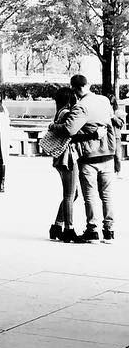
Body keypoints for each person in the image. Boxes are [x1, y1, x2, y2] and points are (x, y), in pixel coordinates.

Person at [51, 75, 116, 242]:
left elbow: (69, 130)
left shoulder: (81, 107)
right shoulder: (104, 101)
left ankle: (92, 230)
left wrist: (52, 126)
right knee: (107, 195)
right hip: (107, 153)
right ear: (89, 84)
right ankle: (109, 231)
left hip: (89, 155)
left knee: (88, 196)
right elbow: (111, 121)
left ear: (74, 88)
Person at [47, 87, 83, 242]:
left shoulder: (59, 112)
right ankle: (69, 229)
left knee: (72, 193)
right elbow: (72, 133)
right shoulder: (67, 113)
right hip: (67, 156)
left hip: (61, 156)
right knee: (70, 194)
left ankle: (57, 225)